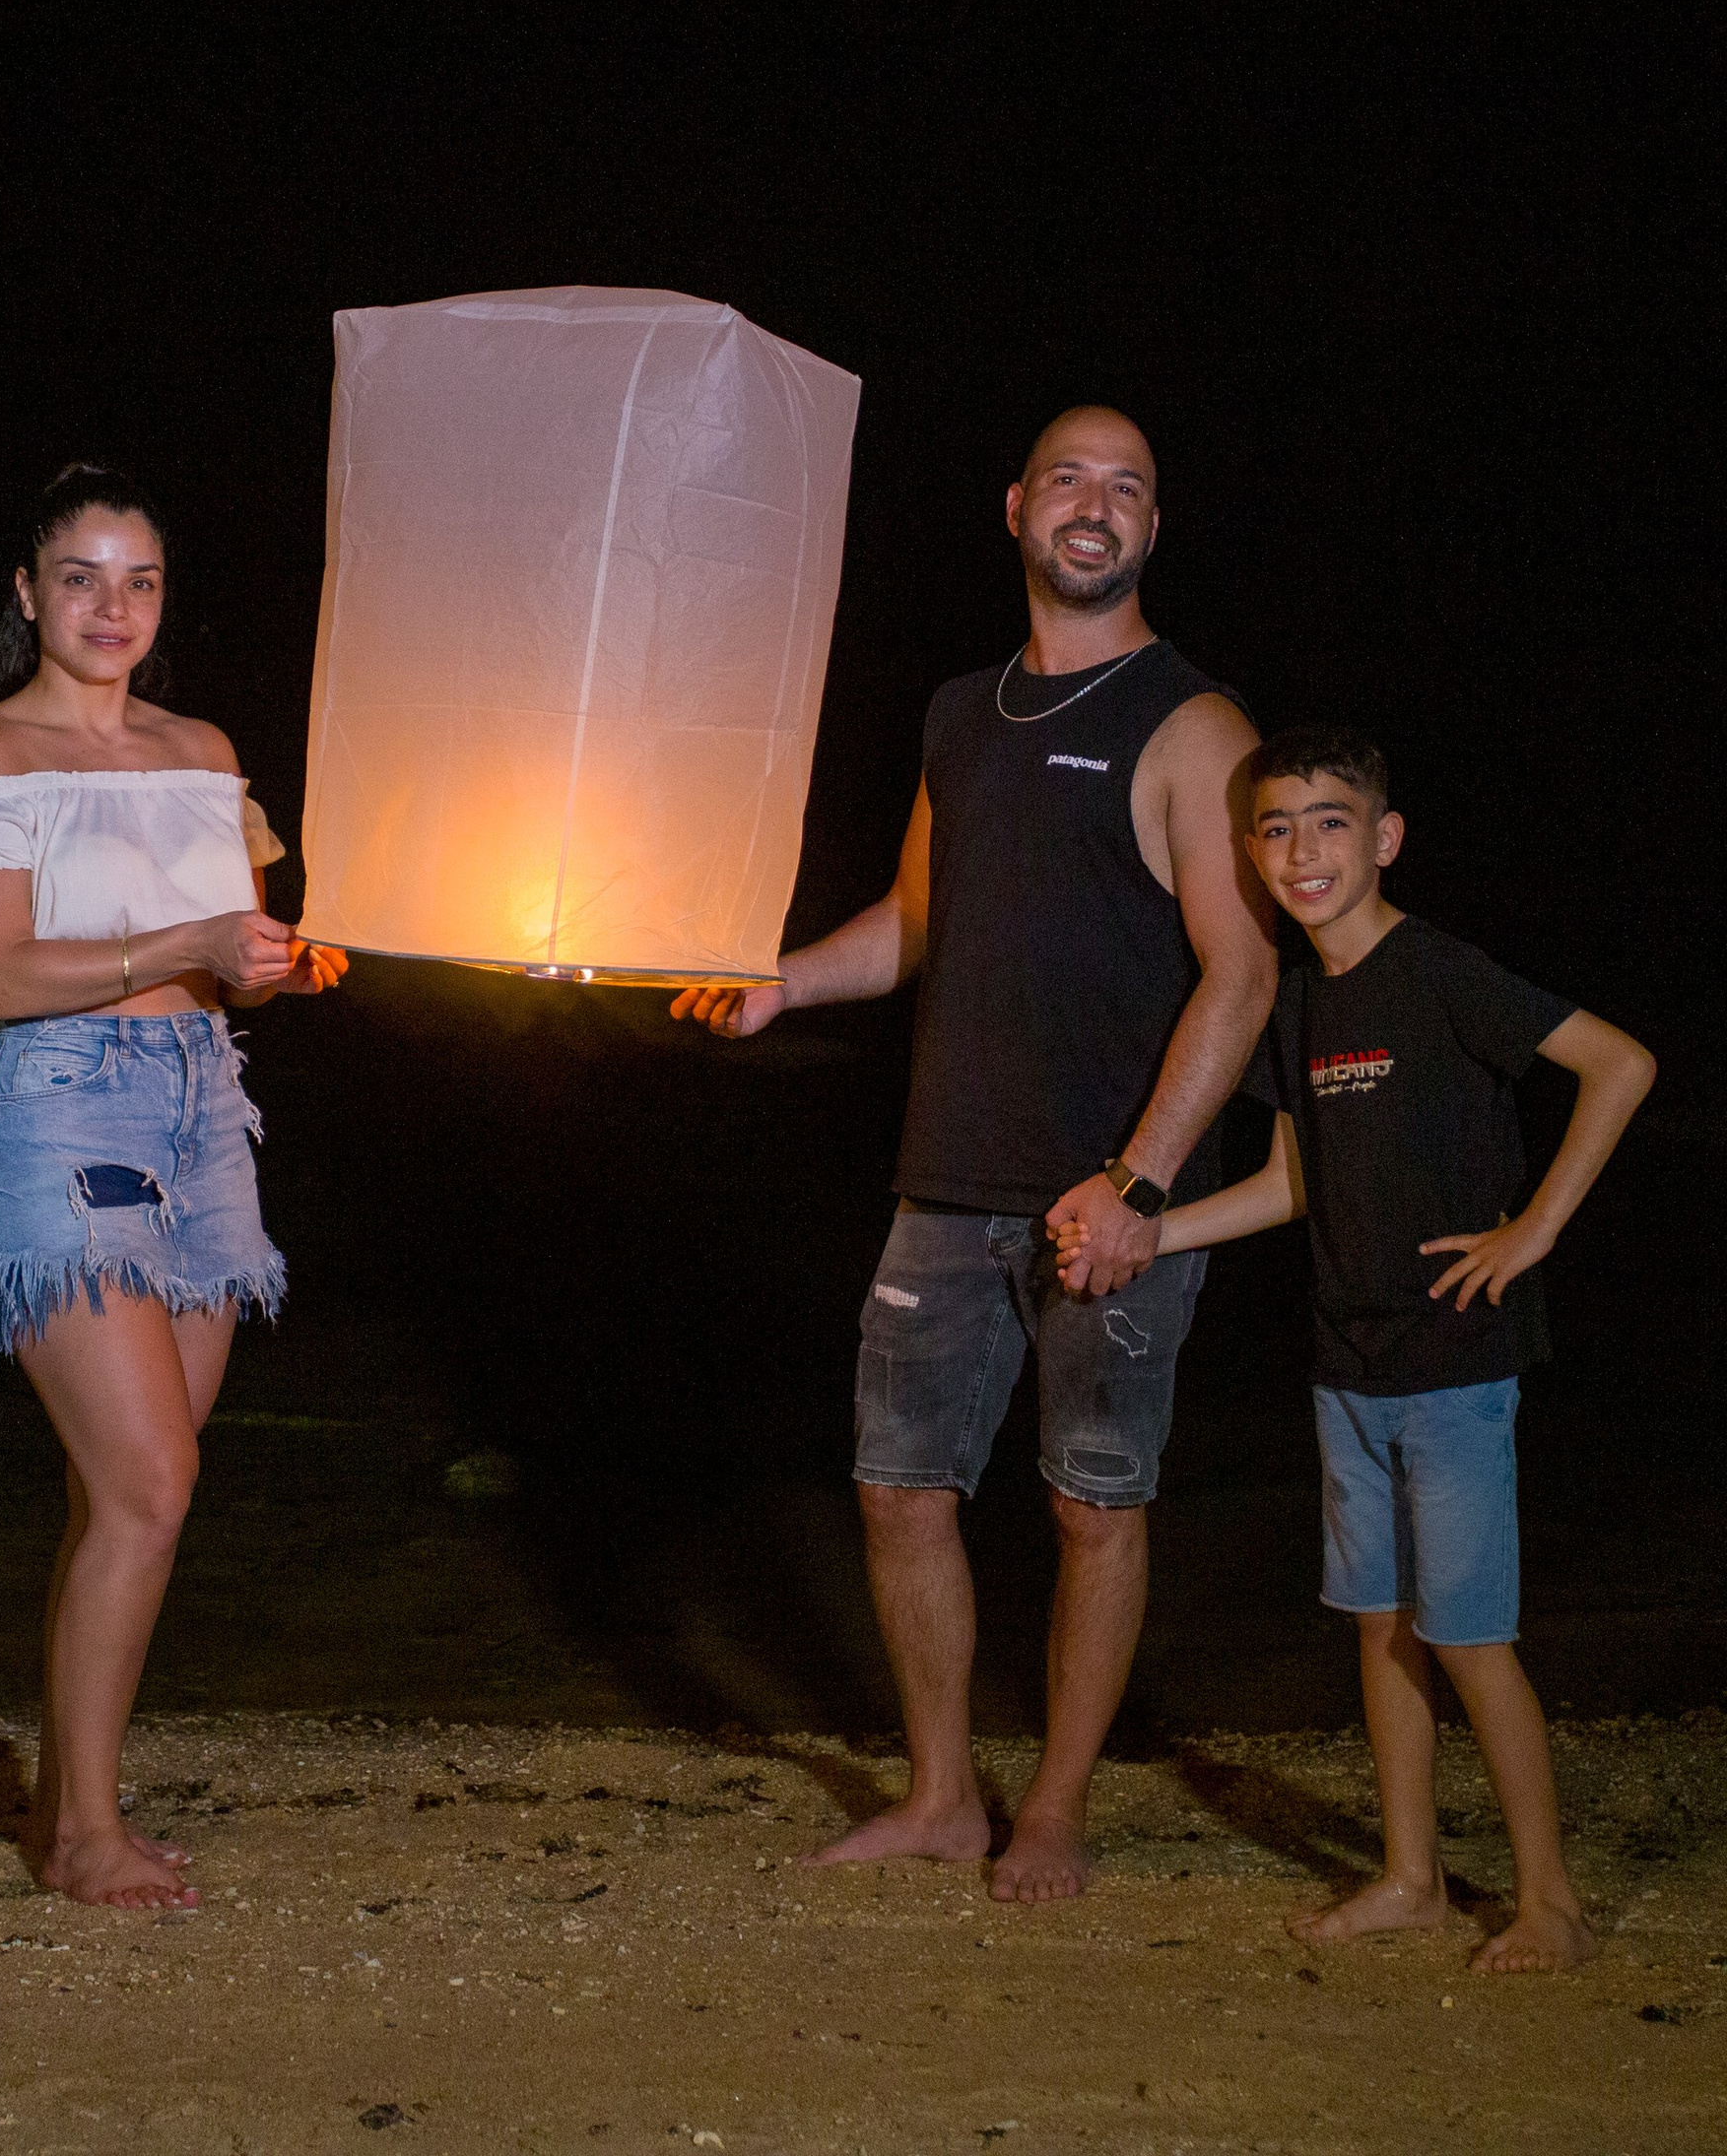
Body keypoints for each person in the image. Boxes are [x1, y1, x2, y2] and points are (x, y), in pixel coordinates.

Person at [675, 406, 1278, 1901]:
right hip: (945, 1177)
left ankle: (1056, 1809)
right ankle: (943, 1796)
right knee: (899, 1491)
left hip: (1110, 1201)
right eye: (1069, 479)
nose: (1095, 506)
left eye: (1127, 488)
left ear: (1153, 528)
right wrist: (782, 983)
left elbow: (1246, 971)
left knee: (1092, 1506)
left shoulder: (1196, 725)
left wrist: (1139, 1182)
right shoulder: (961, 712)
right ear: (1015, 508)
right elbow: (917, 921)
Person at [1111, 726, 1652, 1972]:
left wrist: (1532, 1228)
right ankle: (1411, 1879)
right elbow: (1292, 1181)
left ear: (1384, 837)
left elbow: (1619, 1064)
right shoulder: (1298, 1001)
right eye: (1276, 827)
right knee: (1379, 1625)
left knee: (1468, 1637)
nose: (1302, 849)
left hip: (1453, 1364)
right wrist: (1152, 1230)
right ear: (1251, 853)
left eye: (1330, 821)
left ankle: (1552, 1902)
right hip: (1345, 1362)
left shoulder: (1438, 970)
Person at [0, 462, 347, 1912]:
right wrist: (193, 945)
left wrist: (271, 967)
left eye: (140, 581)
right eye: (82, 578)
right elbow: (2, 976)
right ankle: (86, 1834)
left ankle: (71, 1810)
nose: (113, 608)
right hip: (66, 1108)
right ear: (28, 592)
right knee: (152, 1482)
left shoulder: (201, 748)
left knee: (127, 1492)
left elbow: (237, 965)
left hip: (206, 1113)